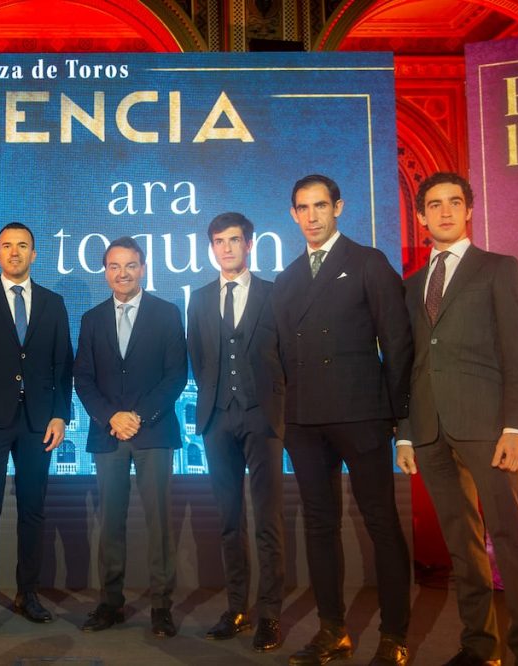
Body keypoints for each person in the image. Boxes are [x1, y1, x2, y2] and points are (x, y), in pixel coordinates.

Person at [396, 172, 518, 666]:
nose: (444, 211)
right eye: (434, 204)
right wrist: (405, 433)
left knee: (510, 539)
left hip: (489, 430)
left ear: (468, 210)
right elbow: (409, 364)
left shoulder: (497, 268)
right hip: (430, 430)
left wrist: (515, 426)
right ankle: (479, 647)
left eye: (454, 202)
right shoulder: (411, 286)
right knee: (462, 546)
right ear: (421, 217)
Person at [272, 175, 413, 666]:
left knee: (381, 522)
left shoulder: (368, 262)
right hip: (305, 421)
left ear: (339, 207)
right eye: (302, 208)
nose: (311, 216)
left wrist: (400, 418)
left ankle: (395, 635)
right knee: (319, 524)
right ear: (293, 214)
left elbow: (397, 344)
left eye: (320, 206)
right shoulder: (288, 278)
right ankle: (333, 630)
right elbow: (280, 355)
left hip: (362, 415)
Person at [0, 222, 73, 636]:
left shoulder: (53, 303)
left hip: (39, 422)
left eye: (22, 246)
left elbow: (63, 363)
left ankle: (28, 594)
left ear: (34, 254)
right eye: (7, 246)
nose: (15, 252)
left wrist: (61, 414)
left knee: (33, 511)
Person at [73, 236, 187, 638]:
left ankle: (161, 606)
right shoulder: (91, 319)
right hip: (108, 434)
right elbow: (83, 378)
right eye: (115, 266)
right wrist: (112, 417)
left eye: (130, 265)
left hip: (153, 431)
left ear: (143, 269)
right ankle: (110, 603)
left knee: (159, 523)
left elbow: (176, 375)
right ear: (105, 272)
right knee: (110, 522)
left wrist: (138, 416)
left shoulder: (167, 313)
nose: (123, 273)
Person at [187, 213, 285, 652]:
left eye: (233, 240)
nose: (226, 248)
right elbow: (198, 357)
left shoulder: (273, 294)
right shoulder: (200, 299)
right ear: (212, 248)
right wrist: (216, 400)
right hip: (216, 419)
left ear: (249, 244)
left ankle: (270, 615)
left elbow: (285, 355)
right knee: (229, 520)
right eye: (218, 242)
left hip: (262, 417)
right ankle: (236, 608)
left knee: (268, 520)